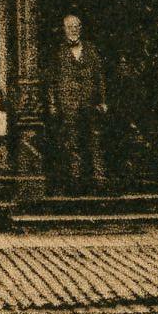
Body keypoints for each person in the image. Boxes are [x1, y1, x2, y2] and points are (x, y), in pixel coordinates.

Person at [46, 10, 112, 193]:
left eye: (76, 26)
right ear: (64, 29)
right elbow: (51, 81)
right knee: (72, 141)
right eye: (69, 27)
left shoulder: (91, 50)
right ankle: (75, 181)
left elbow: (100, 78)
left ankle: (99, 179)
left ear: (81, 28)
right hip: (68, 104)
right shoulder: (58, 52)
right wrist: (52, 104)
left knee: (95, 140)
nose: (73, 30)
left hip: (90, 103)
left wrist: (103, 101)